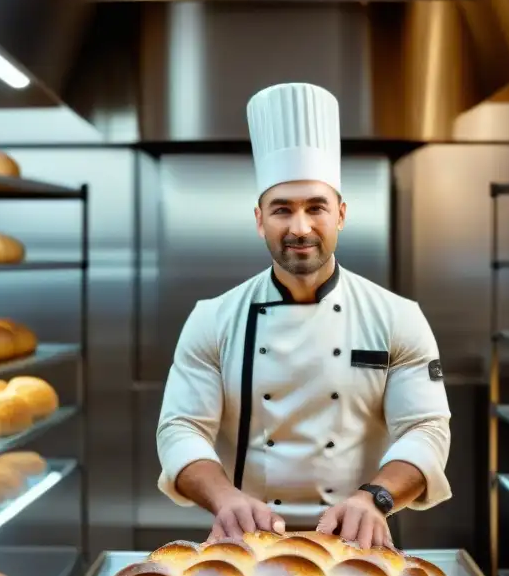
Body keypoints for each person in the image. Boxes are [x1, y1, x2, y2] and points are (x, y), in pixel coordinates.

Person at [156, 82, 451, 550]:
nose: (300, 227)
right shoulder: (213, 319)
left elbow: (426, 428)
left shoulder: (398, 317)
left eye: (316, 207)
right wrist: (224, 499)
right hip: (245, 545)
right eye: (281, 210)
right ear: (259, 220)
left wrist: (375, 498)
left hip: (360, 542)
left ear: (341, 214)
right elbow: (181, 427)